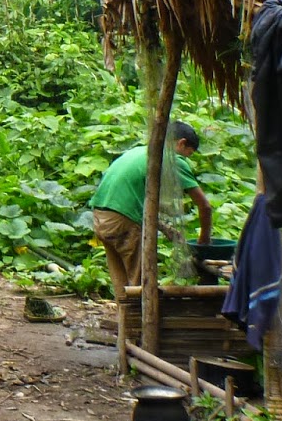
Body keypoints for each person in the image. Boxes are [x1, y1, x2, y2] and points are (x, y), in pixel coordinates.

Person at [90, 121, 213, 301]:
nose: (187, 159)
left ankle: (126, 317)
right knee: (141, 282)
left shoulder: (139, 152)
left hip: (101, 217)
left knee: (122, 283)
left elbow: (141, 200)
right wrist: (204, 242)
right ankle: (142, 318)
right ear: (181, 143)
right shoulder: (172, 159)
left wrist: (165, 228)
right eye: (189, 154)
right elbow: (205, 206)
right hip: (122, 221)